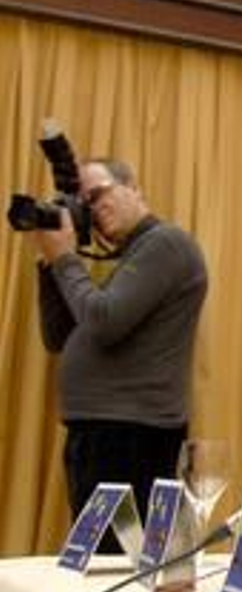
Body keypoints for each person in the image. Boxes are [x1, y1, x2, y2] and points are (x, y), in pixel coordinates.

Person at [33, 157, 208, 537]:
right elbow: (57, 335)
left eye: (97, 195)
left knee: (113, 566)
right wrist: (50, 265)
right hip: (102, 434)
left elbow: (104, 322)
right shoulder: (127, 258)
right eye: (84, 205)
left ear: (133, 188)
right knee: (100, 561)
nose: (92, 210)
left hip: (132, 437)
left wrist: (65, 258)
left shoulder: (166, 243)